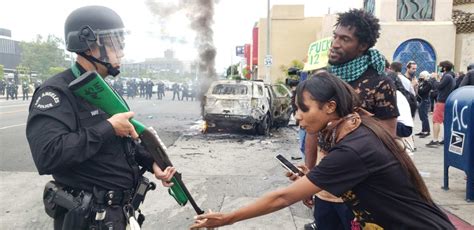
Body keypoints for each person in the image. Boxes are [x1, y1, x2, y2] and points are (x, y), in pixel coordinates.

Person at [191, 72, 454, 229]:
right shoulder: (356, 128)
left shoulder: (355, 147)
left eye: (303, 108)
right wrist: (314, 178)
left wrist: (226, 218)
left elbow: (282, 198)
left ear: (329, 107)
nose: (297, 117)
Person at [26, 6, 176, 229]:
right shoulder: (56, 92)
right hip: (87, 220)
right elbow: (48, 154)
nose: (121, 51)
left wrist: (151, 161)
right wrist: (108, 127)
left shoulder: (99, 88)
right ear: (88, 43)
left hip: (119, 214)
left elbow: (121, 143)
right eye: (114, 42)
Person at [327, 9, 399, 135]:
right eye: (335, 36)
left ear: (363, 46)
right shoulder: (326, 78)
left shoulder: (380, 84)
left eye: (345, 39)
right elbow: (313, 132)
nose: (335, 44)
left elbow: (388, 136)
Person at [426, 61, 456, 147]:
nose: (439, 68)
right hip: (447, 100)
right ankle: (445, 139)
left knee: (436, 121)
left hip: (442, 101)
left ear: (445, 68)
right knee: (445, 121)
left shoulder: (447, 76)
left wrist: (433, 79)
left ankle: (435, 140)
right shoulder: (451, 76)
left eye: (440, 67)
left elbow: (438, 86)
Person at [415, 71, 433, 137]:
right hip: (422, 100)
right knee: (421, 116)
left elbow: (422, 91)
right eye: (420, 76)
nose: (420, 77)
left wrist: (417, 87)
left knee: (424, 116)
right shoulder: (422, 83)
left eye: (422, 76)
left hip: (425, 100)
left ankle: (426, 131)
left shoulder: (428, 83)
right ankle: (423, 130)